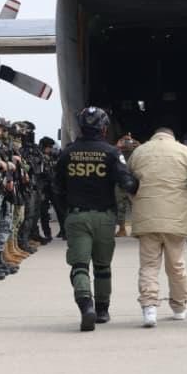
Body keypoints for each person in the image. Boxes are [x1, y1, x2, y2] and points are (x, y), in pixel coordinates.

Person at [54, 107, 139, 330]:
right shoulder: (111, 152)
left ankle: (86, 306)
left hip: (77, 216)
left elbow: (57, 187)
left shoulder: (67, 153)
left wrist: (67, 212)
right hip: (104, 217)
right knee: (103, 267)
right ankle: (102, 310)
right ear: (103, 128)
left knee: (79, 266)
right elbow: (127, 183)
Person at [128, 127, 187, 326]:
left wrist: (138, 201)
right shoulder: (186, 152)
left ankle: (149, 308)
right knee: (176, 265)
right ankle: (179, 306)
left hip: (147, 217)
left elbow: (127, 182)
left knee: (149, 266)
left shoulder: (139, 152)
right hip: (176, 218)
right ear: (172, 136)